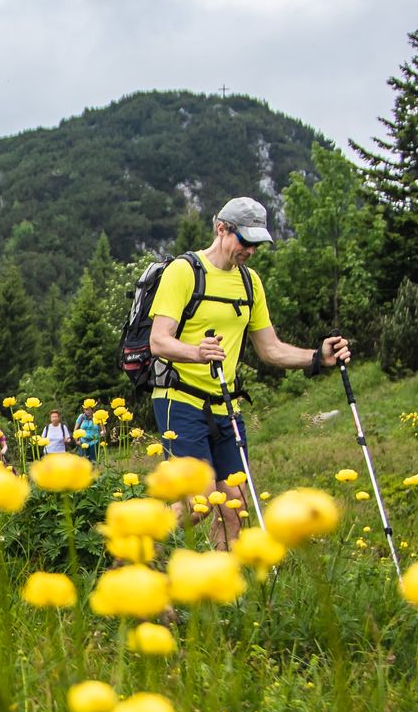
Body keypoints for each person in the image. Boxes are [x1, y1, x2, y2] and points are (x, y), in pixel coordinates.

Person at [147, 196, 351, 542]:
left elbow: (270, 349)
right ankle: (133, 548)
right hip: (178, 398)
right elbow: (159, 342)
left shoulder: (249, 283)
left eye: (257, 243)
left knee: (234, 505)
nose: (251, 250)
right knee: (198, 502)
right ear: (221, 228)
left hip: (226, 404)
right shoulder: (184, 271)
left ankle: (219, 589)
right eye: (246, 240)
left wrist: (317, 357)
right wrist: (196, 352)